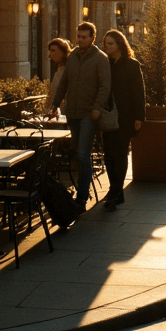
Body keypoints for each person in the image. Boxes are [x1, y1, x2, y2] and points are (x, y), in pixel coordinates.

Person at [51, 21, 111, 214]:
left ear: (93, 38)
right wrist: (55, 103)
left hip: (88, 113)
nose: (81, 39)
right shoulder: (73, 57)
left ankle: (81, 198)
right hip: (72, 112)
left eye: (84, 37)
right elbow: (64, 82)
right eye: (78, 36)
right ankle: (82, 190)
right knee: (78, 153)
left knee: (84, 155)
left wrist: (97, 107)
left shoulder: (100, 58)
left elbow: (105, 87)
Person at [99, 29, 146, 210]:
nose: (107, 47)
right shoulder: (105, 64)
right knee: (108, 155)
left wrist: (139, 117)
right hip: (108, 115)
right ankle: (114, 188)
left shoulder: (132, 65)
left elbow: (138, 92)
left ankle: (116, 192)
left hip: (126, 116)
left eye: (110, 44)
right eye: (106, 44)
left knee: (120, 153)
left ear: (119, 44)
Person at [45, 37, 71, 117]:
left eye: (53, 51)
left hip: (65, 113)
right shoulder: (58, 69)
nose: (50, 54)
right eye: (50, 51)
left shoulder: (68, 70)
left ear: (63, 52)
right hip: (54, 113)